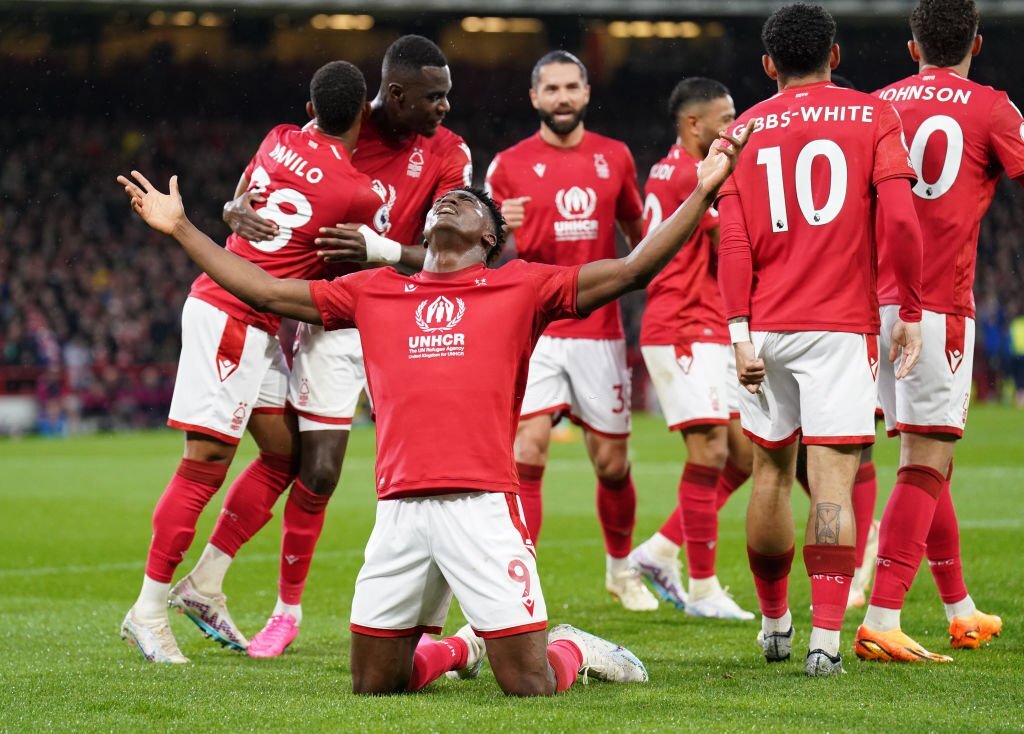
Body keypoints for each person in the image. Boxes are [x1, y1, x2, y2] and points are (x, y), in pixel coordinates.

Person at [115, 118, 751, 692]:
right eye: (447, 199)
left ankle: (572, 651)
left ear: (491, 238)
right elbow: (265, 289)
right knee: (374, 683)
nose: (454, 200)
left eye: (471, 204)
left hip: (482, 506)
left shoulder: (522, 285)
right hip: (397, 513)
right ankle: (455, 648)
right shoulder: (374, 289)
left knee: (528, 683)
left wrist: (703, 191)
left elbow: (636, 266)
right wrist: (181, 228)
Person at [181, 35, 474, 658]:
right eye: (434, 98)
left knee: (440, 469)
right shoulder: (336, 125)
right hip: (335, 321)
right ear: (394, 94)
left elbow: (463, 252)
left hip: (417, 322)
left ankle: (434, 618)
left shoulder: (449, 153)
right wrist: (235, 208)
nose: (445, 108)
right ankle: (286, 612)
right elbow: (259, 182)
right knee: (315, 470)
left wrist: (384, 251)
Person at [119, 61, 389, 663]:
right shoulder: (360, 193)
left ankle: (206, 584)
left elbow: (241, 198)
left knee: (284, 454)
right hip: (231, 318)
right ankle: (148, 610)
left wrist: (230, 210)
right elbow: (345, 267)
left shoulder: (277, 139)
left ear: (311, 106)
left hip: (250, 321)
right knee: (204, 467)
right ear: (365, 113)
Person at [716, 2, 924, 676]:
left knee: (770, 473)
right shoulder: (874, 115)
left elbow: (735, 240)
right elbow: (899, 220)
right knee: (833, 480)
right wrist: (911, 310)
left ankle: (775, 624)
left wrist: (739, 332)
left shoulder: (742, 130)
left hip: (765, 328)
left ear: (769, 64)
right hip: (839, 328)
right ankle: (825, 643)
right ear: (836, 56)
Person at [855, 0, 1024, 663]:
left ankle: (960, 610)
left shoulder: (875, 105)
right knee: (926, 462)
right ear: (977, 44)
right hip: (938, 308)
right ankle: (883, 616)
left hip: (873, 303)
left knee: (929, 459)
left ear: (911, 46)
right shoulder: (992, 107)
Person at [486, 51, 657, 611]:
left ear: (586, 93)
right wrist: (496, 231)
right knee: (527, 452)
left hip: (599, 330)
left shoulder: (615, 157)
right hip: (533, 327)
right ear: (534, 98)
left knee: (611, 465)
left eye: (571, 86)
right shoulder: (507, 165)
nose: (562, 97)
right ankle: (523, 577)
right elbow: (470, 250)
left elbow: (642, 235)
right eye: (551, 89)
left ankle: (620, 569)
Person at [626, 77, 755, 620]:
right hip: (682, 325)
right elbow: (732, 239)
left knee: (743, 457)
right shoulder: (689, 174)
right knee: (708, 454)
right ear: (693, 124)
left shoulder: (674, 166)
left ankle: (658, 552)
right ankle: (703, 590)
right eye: (726, 119)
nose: (735, 128)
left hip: (706, 324)